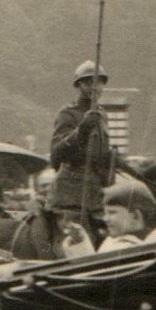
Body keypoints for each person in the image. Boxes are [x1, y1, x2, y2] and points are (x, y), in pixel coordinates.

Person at [49, 60, 114, 236]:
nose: (95, 87)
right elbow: (56, 154)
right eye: (89, 82)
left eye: (100, 82)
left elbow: (103, 155)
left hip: (96, 194)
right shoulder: (67, 114)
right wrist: (82, 130)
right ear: (79, 85)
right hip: (71, 195)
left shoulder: (102, 116)